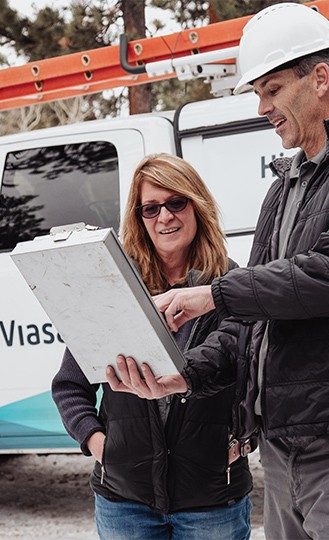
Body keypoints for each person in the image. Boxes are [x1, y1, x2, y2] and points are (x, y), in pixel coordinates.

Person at [108, 3, 329, 539]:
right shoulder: (284, 187)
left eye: (271, 89)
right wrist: (184, 374)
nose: (262, 107)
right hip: (286, 442)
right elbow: (253, 324)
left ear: (319, 78)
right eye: (257, 94)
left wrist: (213, 295)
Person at [52, 153, 253, 540]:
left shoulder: (229, 285)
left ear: (197, 206)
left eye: (176, 202)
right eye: (151, 208)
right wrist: (101, 447)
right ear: (139, 218)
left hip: (211, 500)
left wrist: (243, 440)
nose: (165, 217)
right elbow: (69, 386)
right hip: (125, 502)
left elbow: (251, 374)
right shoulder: (114, 288)